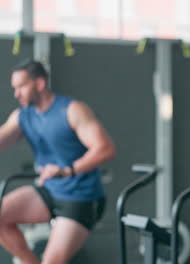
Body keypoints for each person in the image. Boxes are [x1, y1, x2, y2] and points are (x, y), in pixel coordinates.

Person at [0, 60, 116, 264]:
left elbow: (105, 149)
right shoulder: (22, 116)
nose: (16, 94)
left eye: (21, 86)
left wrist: (67, 170)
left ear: (40, 84)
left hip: (81, 197)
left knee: (52, 261)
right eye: (14, 88)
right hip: (50, 191)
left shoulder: (72, 110)